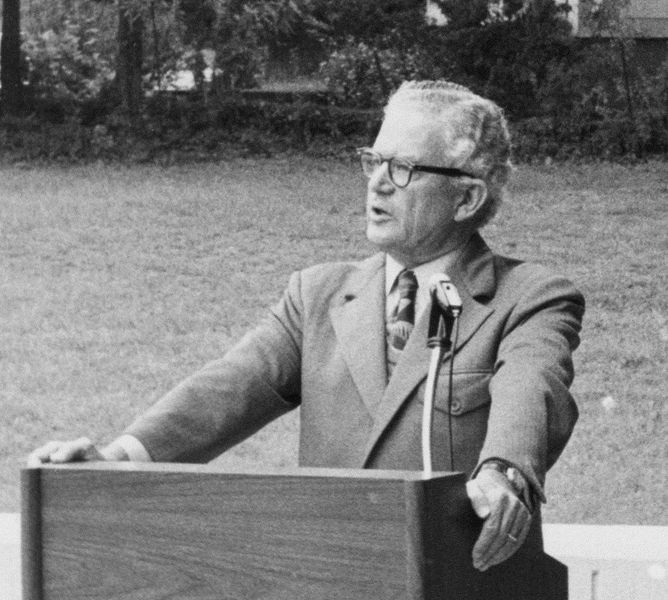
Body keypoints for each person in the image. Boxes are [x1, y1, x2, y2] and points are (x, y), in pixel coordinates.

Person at [29, 80, 584, 573]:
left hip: (462, 581)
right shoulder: (316, 294)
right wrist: (120, 457)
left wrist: (505, 473)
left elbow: (532, 389)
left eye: (404, 169)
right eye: (374, 161)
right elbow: (230, 385)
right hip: (326, 576)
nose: (378, 184)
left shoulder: (529, 298)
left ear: (467, 197)